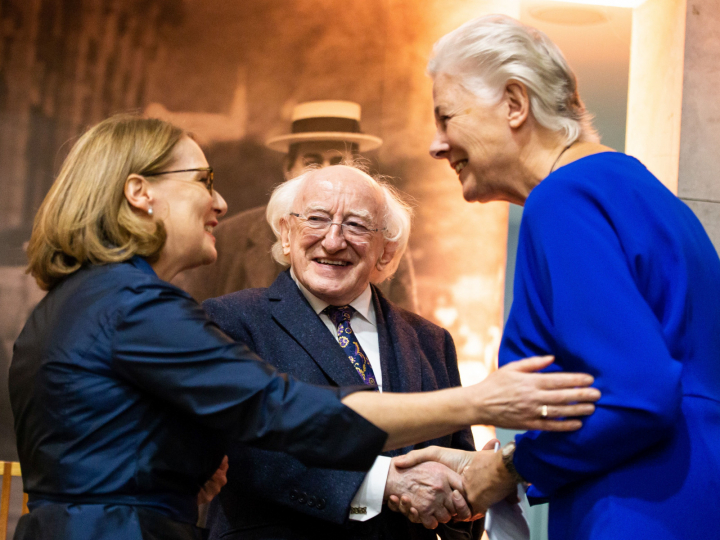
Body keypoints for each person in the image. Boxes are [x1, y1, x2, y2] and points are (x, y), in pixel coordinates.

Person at [9, 114, 601, 540]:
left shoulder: (88, 299)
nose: (219, 204)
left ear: (386, 252)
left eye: (357, 226)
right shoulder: (137, 307)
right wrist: (475, 400)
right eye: (203, 181)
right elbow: (283, 411)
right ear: (139, 193)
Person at [392, 14, 720, 540]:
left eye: (445, 117)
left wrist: (504, 470)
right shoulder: (636, 188)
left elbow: (636, 395)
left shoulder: (563, 199)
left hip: (639, 508)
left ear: (515, 104)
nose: (435, 144)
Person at [203, 164, 480, 539]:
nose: (333, 241)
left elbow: (459, 495)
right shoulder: (230, 321)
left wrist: (472, 490)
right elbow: (245, 453)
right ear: (286, 234)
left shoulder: (431, 341)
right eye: (316, 219)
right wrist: (384, 483)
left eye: (356, 225)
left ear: (386, 250)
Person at [174, 100, 419, 312]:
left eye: (337, 162)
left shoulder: (384, 241)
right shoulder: (228, 238)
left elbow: (406, 341)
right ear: (288, 168)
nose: (325, 174)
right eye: (311, 163)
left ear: (358, 169)